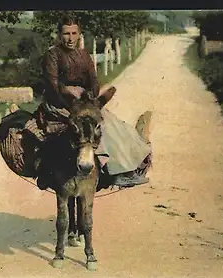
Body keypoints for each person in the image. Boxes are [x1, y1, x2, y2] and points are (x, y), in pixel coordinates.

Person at [28, 14, 151, 190]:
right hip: (59, 105)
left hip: (84, 104)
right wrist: (71, 93)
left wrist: (90, 96)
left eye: (73, 33)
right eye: (66, 34)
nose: (70, 38)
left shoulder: (84, 55)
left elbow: (93, 80)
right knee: (91, 128)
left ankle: (128, 170)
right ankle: (111, 172)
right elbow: (53, 84)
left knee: (112, 123)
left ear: (79, 34)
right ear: (59, 34)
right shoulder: (52, 55)